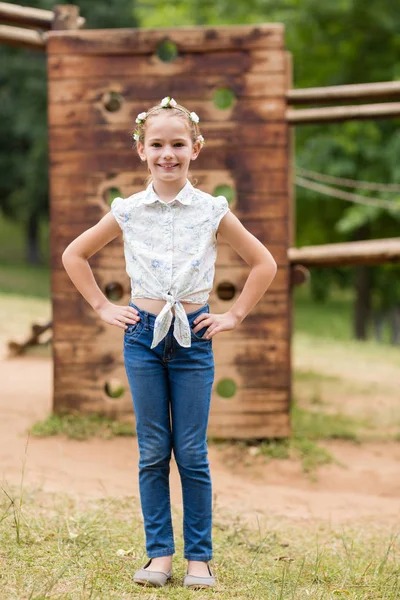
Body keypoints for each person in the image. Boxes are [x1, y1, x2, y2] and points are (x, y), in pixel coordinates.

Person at [61, 96, 277, 589]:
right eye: (156, 144)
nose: (167, 154)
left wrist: (234, 315)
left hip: (194, 341)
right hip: (143, 340)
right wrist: (101, 306)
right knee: (154, 449)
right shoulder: (129, 211)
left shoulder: (211, 212)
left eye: (178, 144)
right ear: (140, 149)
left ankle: (199, 559)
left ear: (195, 148)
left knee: (192, 453)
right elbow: (76, 254)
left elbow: (264, 263)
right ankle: (159, 555)